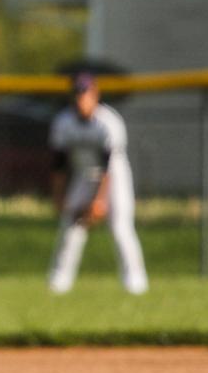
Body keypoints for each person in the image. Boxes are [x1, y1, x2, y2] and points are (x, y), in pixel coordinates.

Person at [47, 72, 148, 295]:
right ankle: (59, 281)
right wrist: (58, 196)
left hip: (115, 176)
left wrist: (100, 201)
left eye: (85, 94)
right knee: (71, 225)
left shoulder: (108, 122)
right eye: (77, 94)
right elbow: (59, 165)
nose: (81, 99)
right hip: (84, 175)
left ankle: (135, 281)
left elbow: (107, 166)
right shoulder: (63, 123)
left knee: (120, 227)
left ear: (95, 95)